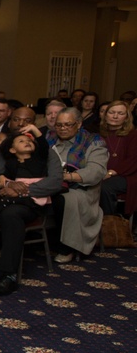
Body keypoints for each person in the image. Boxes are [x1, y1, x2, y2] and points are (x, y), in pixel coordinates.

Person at [0, 125, 61, 295]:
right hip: (6, 199)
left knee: (11, 214)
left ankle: (8, 276)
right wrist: (6, 183)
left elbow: (55, 181)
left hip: (32, 202)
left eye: (27, 122)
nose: (26, 140)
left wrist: (22, 190)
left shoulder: (42, 153)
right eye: (17, 120)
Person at [49, 108, 108, 263]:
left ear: (79, 124)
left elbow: (96, 171)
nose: (62, 128)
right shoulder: (49, 139)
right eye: (59, 125)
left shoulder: (94, 141)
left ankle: (66, 247)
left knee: (64, 199)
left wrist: (68, 176)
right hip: (50, 184)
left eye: (67, 124)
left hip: (81, 188)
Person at [99, 101, 137, 216]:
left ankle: (108, 224)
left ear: (126, 117)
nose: (115, 116)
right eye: (112, 112)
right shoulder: (98, 134)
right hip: (101, 172)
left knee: (104, 187)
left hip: (127, 176)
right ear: (105, 115)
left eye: (120, 113)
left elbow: (133, 160)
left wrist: (110, 173)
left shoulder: (133, 135)